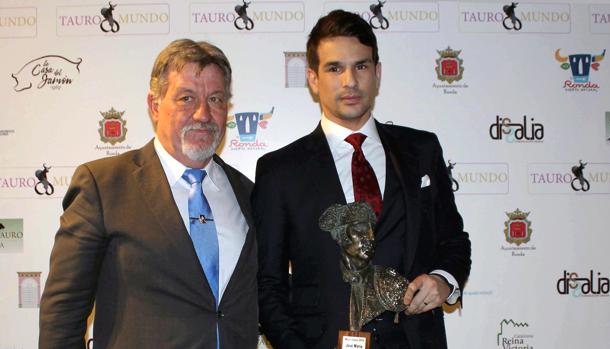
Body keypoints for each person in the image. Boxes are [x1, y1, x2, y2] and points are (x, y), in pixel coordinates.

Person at [252, 10, 471, 349]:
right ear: (312, 78)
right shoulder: (279, 171)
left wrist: (443, 280)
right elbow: (269, 285)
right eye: (334, 68)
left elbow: (454, 241)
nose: (349, 81)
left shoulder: (422, 150)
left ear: (377, 73)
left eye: (361, 66)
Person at [39, 39, 258, 349]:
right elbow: (62, 312)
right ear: (155, 106)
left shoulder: (248, 193)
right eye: (186, 98)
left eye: (216, 99)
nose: (203, 114)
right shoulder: (103, 185)